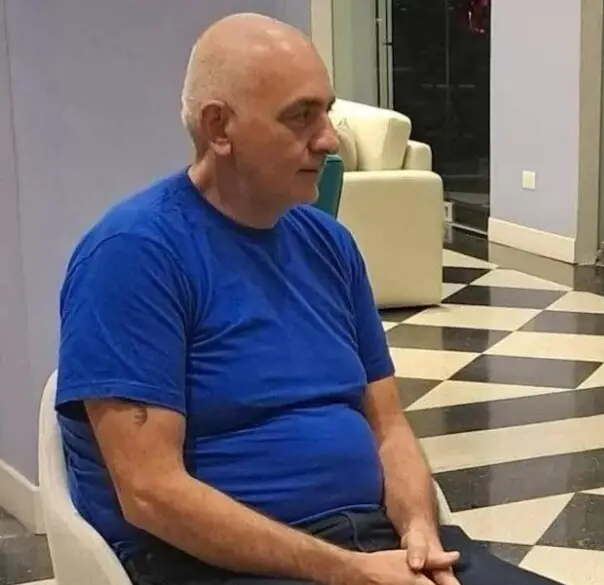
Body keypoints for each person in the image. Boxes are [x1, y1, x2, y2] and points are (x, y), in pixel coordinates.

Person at [56, 13, 559, 585]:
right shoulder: (133, 256)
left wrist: (420, 530)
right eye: (301, 116)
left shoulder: (328, 244)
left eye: (327, 112)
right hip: (220, 565)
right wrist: (349, 571)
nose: (328, 139)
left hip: (373, 542)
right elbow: (151, 493)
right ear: (219, 128)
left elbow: (388, 426)